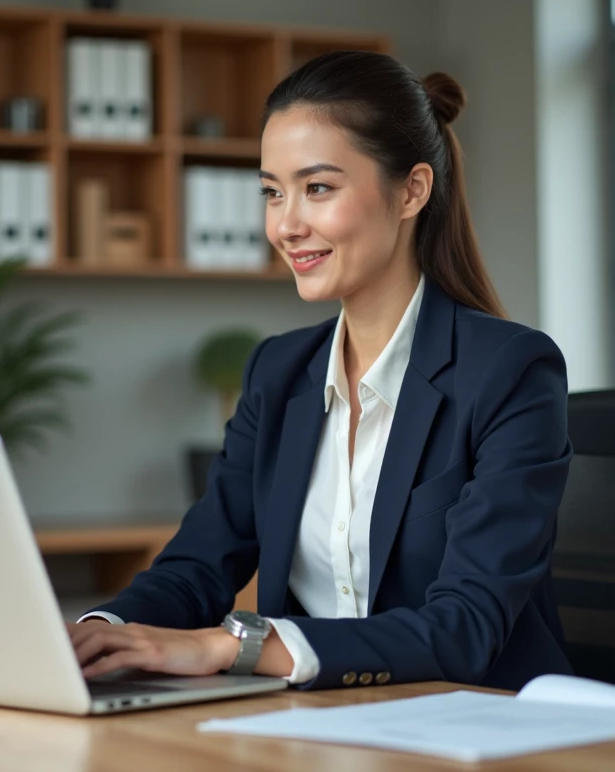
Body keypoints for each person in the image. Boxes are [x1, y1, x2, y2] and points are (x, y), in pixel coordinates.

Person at [67, 51, 574, 690]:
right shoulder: (277, 373)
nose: (286, 225)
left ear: (413, 190)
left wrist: (235, 646)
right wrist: (99, 632)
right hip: (320, 726)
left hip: (482, 726)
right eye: (273, 193)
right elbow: (195, 568)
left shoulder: (509, 373)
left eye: (318, 188)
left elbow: (465, 627)